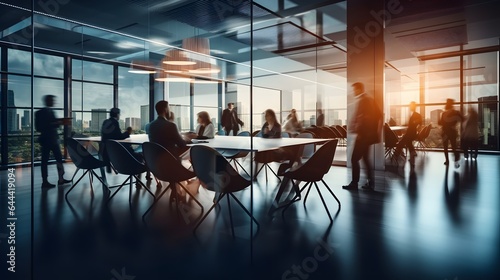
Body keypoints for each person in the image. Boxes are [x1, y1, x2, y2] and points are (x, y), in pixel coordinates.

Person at [343, 82, 382, 191]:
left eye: (355, 90)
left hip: (363, 136)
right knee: (365, 159)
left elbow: (367, 118)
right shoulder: (368, 100)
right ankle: (370, 183)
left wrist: (361, 130)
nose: (354, 92)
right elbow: (378, 115)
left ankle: (354, 183)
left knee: (354, 159)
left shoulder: (364, 100)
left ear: (360, 89)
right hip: (367, 136)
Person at [35, 95, 71, 188]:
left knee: (59, 160)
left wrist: (59, 123)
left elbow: (56, 125)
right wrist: (54, 123)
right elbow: (38, 127)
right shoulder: (39, 113)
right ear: (47, 101)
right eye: (52, 100)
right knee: (44, 161)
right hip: (46, 140)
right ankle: (45, 181)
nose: (53, 102)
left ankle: (61, 179)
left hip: (54, 140)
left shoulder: (52, 112)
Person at [439, 98, 463, 168]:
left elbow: (440, 122)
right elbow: (462, 119)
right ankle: (456, 159)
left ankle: (447, 161)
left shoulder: (443, 113)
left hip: (445, 132)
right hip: (452, 132)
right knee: (454, 147)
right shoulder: (456, 112)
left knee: (445, 147)